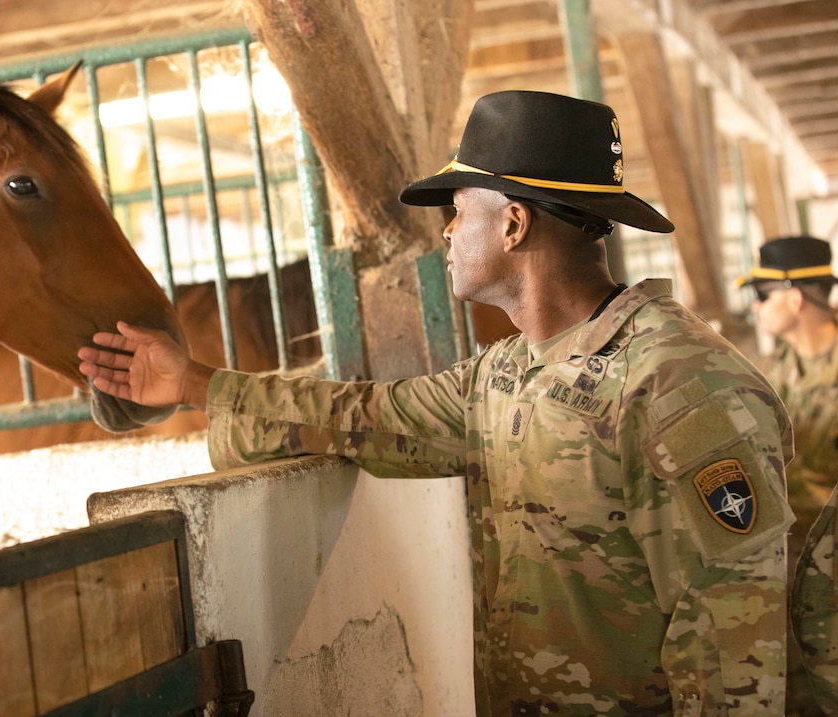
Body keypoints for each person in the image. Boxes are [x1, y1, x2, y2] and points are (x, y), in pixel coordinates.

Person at [79, 90, 794, 715]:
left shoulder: (678, 385)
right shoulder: (504, 375)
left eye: (457, 212)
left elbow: (733, 649)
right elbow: (366, 418)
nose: (447, 233)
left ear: (513, 225)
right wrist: (194, 385)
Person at [738, 236, 838, 713]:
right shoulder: (771, 375)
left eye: (761, 295)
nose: (755, 309)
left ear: (794, 298)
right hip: (788, 570)